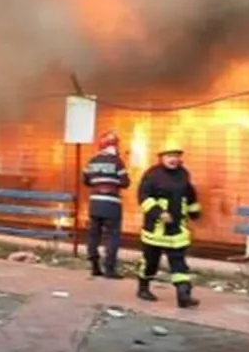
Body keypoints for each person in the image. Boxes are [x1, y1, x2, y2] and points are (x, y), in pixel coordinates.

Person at [135, 142, 201, 308]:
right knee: (151, 262)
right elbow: (143, 197)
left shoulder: (183, 174)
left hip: (177, 229)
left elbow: (190, 194)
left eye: (176, 156)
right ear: (161, 158)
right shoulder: (152, 174)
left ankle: (183, 295)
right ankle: (143, 288)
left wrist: (194, 212)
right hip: (156, 229)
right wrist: (159, 213)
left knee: (179, 263)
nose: (173, 159)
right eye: (169, 156)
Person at [82, 130, 131, 278]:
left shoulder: (92, 161)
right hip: (111, 203)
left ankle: (94, 266)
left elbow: (85, 180)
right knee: (112, 236)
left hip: (95, 203)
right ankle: (109, 269)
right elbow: (125, 182)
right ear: (115, 146)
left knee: (93, 235)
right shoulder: (117, 162)